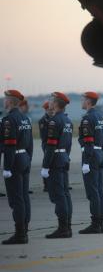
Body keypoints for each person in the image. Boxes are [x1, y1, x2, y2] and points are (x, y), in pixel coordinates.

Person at [1, 90, 33, 245]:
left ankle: (20, 234)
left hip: (14, 160)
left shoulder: (9, 120)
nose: (4, 101)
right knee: (24, 196)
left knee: (16, 199)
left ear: (10, 102)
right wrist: (28, 159)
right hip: (25, 157)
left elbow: (9, 145)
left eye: (5, 99)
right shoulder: (25, 118)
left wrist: (7, 167)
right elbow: (30, 143)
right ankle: (24, 229)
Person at [41, 92, 73, 238]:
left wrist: (45, 166)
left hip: (55, 159)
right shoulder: (67, 121)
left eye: (51, 101)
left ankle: (63, 228)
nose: (50, 103)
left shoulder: (54, 121)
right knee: (65, 193)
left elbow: (50, 146)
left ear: (56, 103)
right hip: (64, 157)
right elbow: (69, 144)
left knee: (59, 195)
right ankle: (67, 225)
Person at [78, 92, 103, 234]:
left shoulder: (88, 118)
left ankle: (95, 223)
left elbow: (88, 141)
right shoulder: (101, 117)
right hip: (100, 153)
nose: (81, 101)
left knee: (93, 191)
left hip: (91, 154)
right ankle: (100, 222)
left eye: (83, 99)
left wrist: (86, 161)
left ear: (88, 101)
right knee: (99, 189)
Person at [39, 101, 53, 192]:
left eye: (52, 109)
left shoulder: (54, 119)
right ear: (46, 109)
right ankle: (46, 185)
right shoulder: (43, 121)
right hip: (47, 144)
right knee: (47, 163)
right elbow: (43, 136)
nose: (51, 111)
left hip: (53, 144)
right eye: (49, 109)